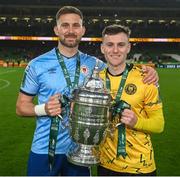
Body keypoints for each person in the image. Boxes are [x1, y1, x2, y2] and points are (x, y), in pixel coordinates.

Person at [16, 6, 159, 176]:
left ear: (82, 30)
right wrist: (44, 109)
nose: (70, 30)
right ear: (56, 29)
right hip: (45, 149)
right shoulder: (37, 65)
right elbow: (21, 107)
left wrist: (148, 72)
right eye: (65, 25)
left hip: (84, 149)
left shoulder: (95, 65)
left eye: (76, 25)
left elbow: (121, 71)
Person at [97, 24, 165, 176]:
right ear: (102, 48)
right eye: (110, 45)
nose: (115, 50)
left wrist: (136, 122)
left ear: (128, 48)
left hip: (139, 168)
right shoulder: (95, 80)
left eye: (121, 45)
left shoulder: (146, 79)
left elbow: (159, 124)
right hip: (104, 165)